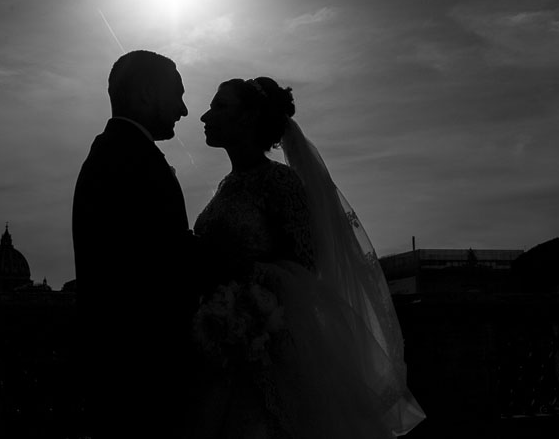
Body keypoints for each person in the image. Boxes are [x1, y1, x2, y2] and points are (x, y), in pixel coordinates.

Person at [192, 77, 425, 438]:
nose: (205, 116)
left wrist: (245, 279)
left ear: (249, 117)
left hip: (270, 347)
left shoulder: (280, 183)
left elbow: (304, 266)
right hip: (225, 346)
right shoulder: (228, 185)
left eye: (220, 106)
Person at [72, 50, 201, 439]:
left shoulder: (117, 152)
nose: (184, 110)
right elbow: (158, 271)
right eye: (177, 95)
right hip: (142, 384)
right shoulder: (131, 160)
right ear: (146, 93)